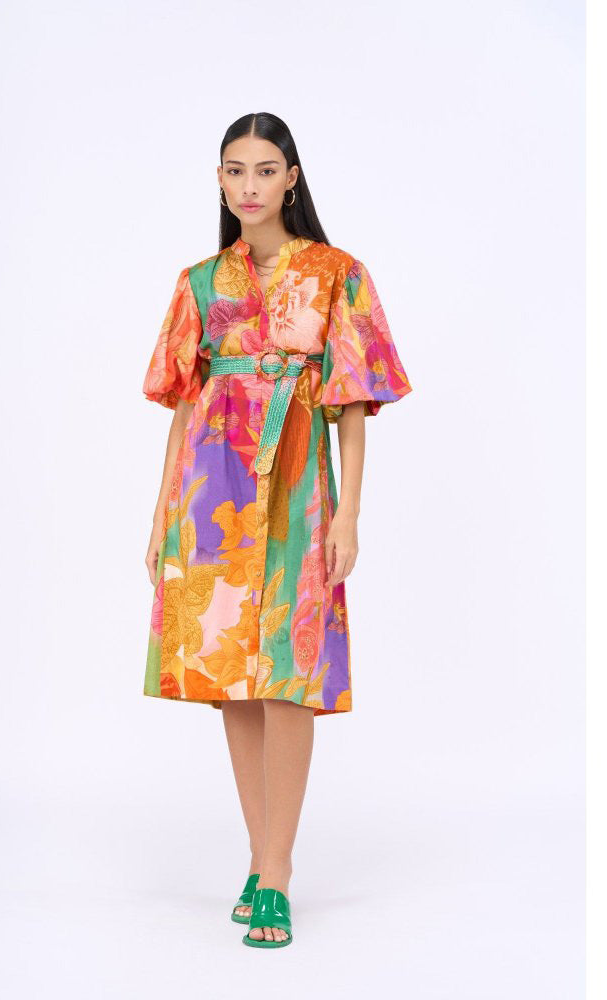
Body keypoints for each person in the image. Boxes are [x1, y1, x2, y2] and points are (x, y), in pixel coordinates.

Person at [141, 112, 413, 949]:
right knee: (233, 672)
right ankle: (261, 861)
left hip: (298, 485)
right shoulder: (199, 283)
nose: (249, 186)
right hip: (210, 488)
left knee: (288, 672)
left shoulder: (337, 274)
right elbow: (183, 406)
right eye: (235, 171)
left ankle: (278, 870)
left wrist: (348, 515)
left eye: (265, 170)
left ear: (291, 178)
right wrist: (159, 514)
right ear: (219, 180)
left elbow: (353, 407)